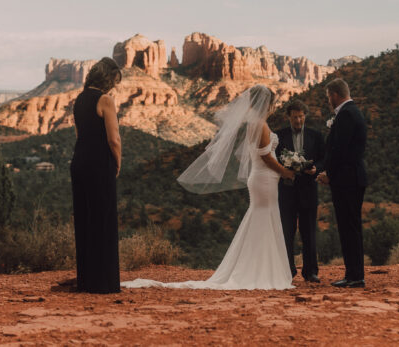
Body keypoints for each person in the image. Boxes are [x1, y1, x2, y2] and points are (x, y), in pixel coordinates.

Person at [123, 84, 297, 290]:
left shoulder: (254, 124)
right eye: (271, 102)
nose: (273, 106)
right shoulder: (261, 125)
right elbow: (266, 157)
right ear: (267, 103)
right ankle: (259, 271)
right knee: (263, 218)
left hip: (261, 178)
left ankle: (259, 268)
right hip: (264, 178)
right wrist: (285, 171)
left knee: (260, 218)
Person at [70, 57, 124, 293]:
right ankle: (104, 283)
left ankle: (86, 280)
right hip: (100, 164)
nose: (114, 86)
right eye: (114, 80)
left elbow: (78, 134)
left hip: (79, 162)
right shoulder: (105, 100)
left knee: (85, 220)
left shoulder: (79, 100)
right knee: (104, 220)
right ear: (108, 77)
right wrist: (118, 162)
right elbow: (114, 139)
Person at [316, 78, 367, 288]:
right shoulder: (354, 111)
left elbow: (339, 150)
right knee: (350, 226)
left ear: (335, 95)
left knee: (348, 227)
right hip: (352, 177)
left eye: (329, 96)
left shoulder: (345, 114)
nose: (328, 100)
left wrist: (328, 173)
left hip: (347, 179)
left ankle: (354, 276)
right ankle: (354, 274)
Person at [276, 99, 324, 283]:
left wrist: (316, 169)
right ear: (288, 117)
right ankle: (287, 271)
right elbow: (274, 161)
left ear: (305, 117)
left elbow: (323, 158)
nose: (298, 121)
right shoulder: (279, 136)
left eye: (301, 117)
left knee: (309, 232)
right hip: (286, 191)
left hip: (309, 190)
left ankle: (310, 272)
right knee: (287, 232)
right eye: (295, 117)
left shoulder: (316, 136)